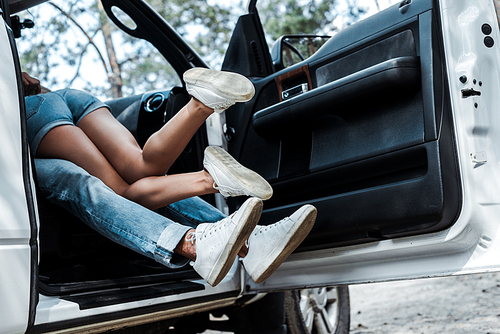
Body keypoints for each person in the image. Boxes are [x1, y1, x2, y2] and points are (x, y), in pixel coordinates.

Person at [23, 69, 317, 287]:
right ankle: (200, 105)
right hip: (61, 97)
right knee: (141, 165)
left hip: (26, 111)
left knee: (121, 193)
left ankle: (208, 184)